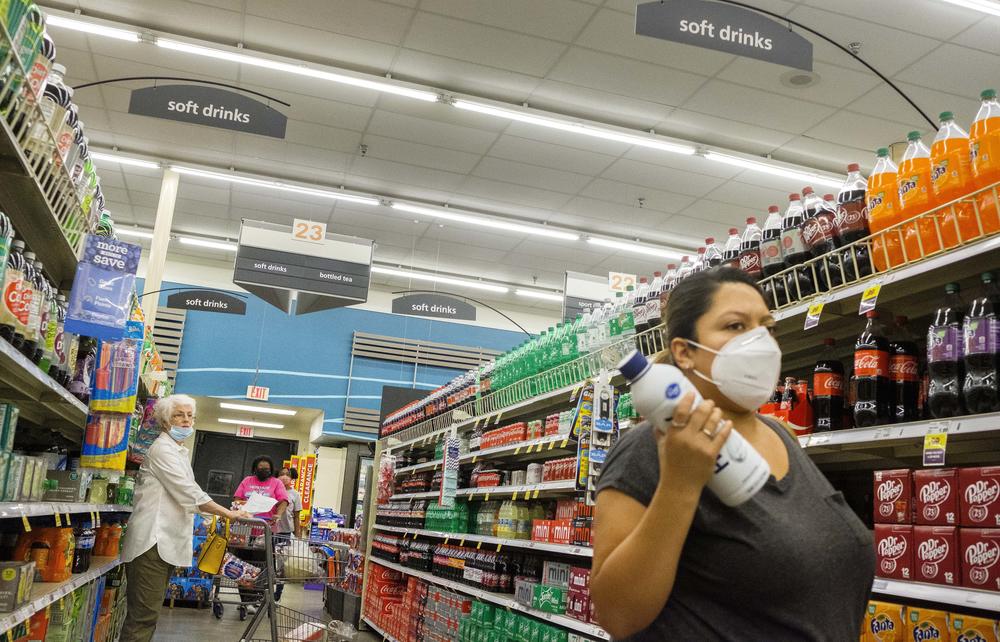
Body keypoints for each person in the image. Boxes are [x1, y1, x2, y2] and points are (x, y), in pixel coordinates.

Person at [592, 267, 875, 640]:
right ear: (685, 352)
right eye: (736, 326)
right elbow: (618, 614)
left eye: (767, 327)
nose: (759, 340)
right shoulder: (651, 447)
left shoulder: (780, 434)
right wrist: (680, 483)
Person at [120, 394, 250, 642]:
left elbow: (191, 492)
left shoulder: (178, 451)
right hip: (151, 543)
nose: (186, 421)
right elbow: (188, 492)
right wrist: (227, 513)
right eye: (179, 414)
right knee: (143, 617)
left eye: (190, 415)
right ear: (165, 419)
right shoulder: (162, 450)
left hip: (164, 544)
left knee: (148, 616)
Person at [233, 455, 288, 611]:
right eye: (261, 468)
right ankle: (245, 599)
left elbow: (283, 500)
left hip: (265, 531)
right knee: (243, 565)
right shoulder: (247, 481)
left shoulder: (276, 483)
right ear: (255, 469)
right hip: (244, 530)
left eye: (267, 469)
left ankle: (256, 597)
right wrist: (242, 507)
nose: (264, 471)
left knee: (262, 565)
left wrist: (278, 514)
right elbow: (237, 499)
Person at [273, 467, 303, 602]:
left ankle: (277, 594)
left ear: (292, 478)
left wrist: (298, 536)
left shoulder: (295, 494)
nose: (284, 476)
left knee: (281, 565)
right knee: (267, 563)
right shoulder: (272, 490)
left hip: (285, 533)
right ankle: (263, 592)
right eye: (281, 474)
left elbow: (297, 517)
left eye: (287, 475)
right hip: (270, 531)